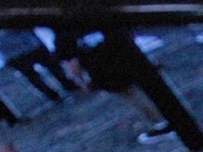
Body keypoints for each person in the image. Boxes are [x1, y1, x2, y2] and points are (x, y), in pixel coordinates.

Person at [47, 24, 177, 144]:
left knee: (131, 94)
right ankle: (172, 117)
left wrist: (81, 81)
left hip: (103, 66)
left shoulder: (63, 31)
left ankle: (162, 124)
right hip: (123, 52)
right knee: (149, 85)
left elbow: (72, 62)